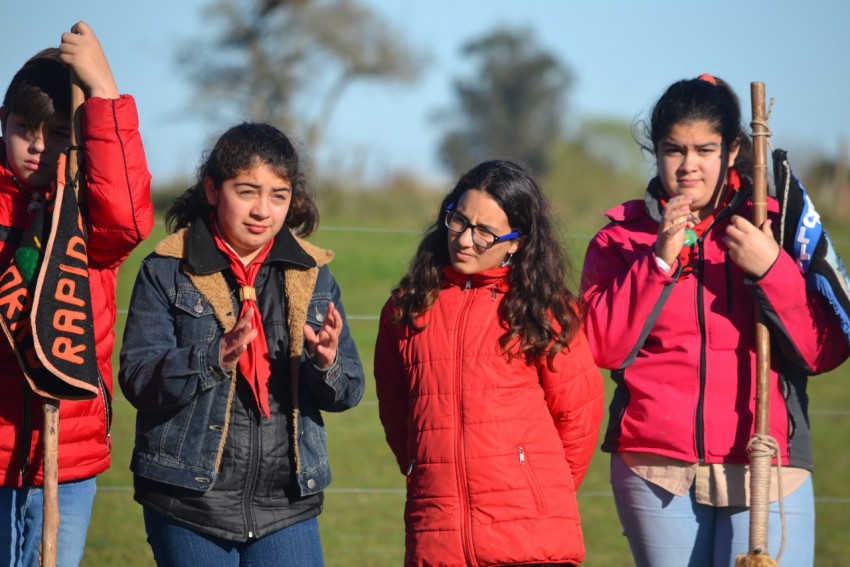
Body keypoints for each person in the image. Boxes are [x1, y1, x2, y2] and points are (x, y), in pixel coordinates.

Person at [580, 74, 850, 567]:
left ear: (731, 152)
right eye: (673, 150)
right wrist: (657, 262)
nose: (688, 166)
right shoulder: (620, 240)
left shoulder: (775, 225)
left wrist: (773, 269)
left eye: (704, 149)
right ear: (655, 151)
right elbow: (602, 346)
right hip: (655, 468)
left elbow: (824, 350)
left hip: (769, 463)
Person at [118, 121, 364, 566]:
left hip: (286, 504)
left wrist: (325, 364)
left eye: (278, 195)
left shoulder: (314, 274)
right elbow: (138, 379)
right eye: (246, 191)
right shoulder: (165, 270)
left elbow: (348, 391)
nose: (262, 210)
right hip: (188, 499)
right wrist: (211, 358)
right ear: (213, 190)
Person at [375, 159, 604, 566]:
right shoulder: (406, 308)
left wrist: (536, 490)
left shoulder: (544, 310)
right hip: (437, 539)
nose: (464, 239)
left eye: (485, 232)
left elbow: (578, 417)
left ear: (516, 241)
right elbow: (397, 411)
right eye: (459, 221)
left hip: (532, 543)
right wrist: (423, 467)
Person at [0, 22, 153, 566]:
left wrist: (104, 93)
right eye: (25, 129)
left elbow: (129, 217)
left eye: (60, 133)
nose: (39, 147)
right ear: (3, 125)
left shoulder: (90, 217)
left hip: (66, 454)